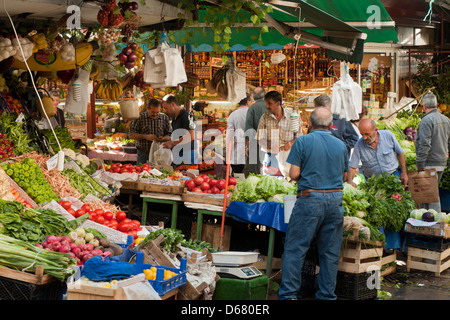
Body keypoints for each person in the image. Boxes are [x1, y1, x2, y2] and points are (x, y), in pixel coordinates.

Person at [278, 107, 349, 300]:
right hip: (335, 201)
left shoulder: (303, 141)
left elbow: (293, 174)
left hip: (310, 199)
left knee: (295, 249)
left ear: (309, 124)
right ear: (331, 125)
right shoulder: (341, 145)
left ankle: (289, 296)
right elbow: (345, 175)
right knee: (330, 253)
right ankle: (326, 295)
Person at [415, 92, 450, 212]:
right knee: (428, 194)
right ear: (436, 105)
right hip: (441, 162)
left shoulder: (426, 121)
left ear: (424, 106)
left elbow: (424, 144)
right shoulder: (446, 120)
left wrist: (420, 164)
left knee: (431, 196)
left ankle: (435, 224)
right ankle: (427, 223)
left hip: (430, 163)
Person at [347, 118, 408, 188]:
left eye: (367, 134)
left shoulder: (388, 136)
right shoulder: (359, 145)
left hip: (393, 177)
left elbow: (400, 153)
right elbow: (352, 166)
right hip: (373, 183)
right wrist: (350, 181)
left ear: (375, 130)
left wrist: (404, 173)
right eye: (362, 134)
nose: (364, 138)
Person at [256, 90, 301, 176]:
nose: (266, 106)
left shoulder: (292, 116)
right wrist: (269, 144)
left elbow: (299, 136)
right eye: (266, 103)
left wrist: (291, 143)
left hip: (289, 156)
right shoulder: (264, 117)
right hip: (271, 157)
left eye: (269, 103)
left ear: (278, 103)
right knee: (270, 184)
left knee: (289, 183)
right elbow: (259, 138)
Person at [128, 98, 172, 165]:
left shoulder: (164, 118)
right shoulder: (139, 118)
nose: (155, 114)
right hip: (143, 154)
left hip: (160, 154)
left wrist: (164, 138)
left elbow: (171, 136)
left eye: (157, 112)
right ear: (147, 108)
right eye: (153, 112)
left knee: (160, 174)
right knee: (142, 173)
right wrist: (145, 136)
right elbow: (131, 135)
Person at [162, 94, 198, 169]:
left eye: (166, 108)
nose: (165, 111)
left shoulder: (187, 116)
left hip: (188, 154)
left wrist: (172, 143)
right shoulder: (174, 117)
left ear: (173, 104)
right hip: (178, 153)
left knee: (187, 179)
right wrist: (169, 139)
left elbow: (191, 136)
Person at [244, 87, 266, 176]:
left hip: (255, 145)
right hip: (272, 144)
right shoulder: (273, 107)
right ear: (265, 95)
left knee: (252, 175)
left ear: (253, 96)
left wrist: (246, 146)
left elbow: (249, 129)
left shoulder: (252, 108)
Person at [226, 97, 251, 174]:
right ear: (247, 102)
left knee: (238, 175)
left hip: (237, 149)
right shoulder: (252, 112)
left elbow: (230, 135)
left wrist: (228, 151)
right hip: (251, 148)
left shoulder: (233, 114)